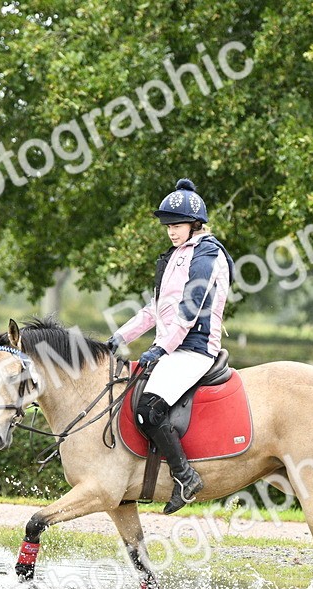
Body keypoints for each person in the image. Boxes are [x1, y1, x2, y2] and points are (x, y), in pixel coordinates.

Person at [106, 178, 234, 514]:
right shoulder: (174, 256)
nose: (171, 231)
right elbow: (155, 309)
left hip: (195, 349)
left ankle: (185, 476)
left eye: (176, 225)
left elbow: (190, 311)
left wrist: (160, 349)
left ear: (194, 224)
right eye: (167, 226)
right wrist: (119, 337)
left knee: (148, 408)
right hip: (173, 348)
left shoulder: (208, 253)